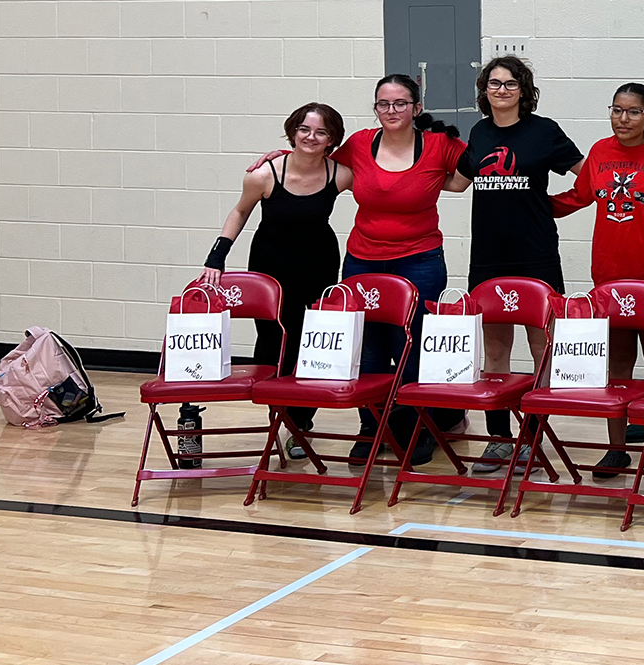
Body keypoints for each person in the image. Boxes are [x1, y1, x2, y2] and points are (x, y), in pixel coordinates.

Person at [549, 82, 644, 479]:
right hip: (609, 281)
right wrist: (530, 204)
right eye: (617, 110)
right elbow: (577, 197)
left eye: (633, 111)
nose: (623, 119)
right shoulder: (599, 152)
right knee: (616, 367)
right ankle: (617, 449)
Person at [450, 56, 585, 472]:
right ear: (484, 90)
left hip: (536, 251)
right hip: (489, 255)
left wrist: (552, 207)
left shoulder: (544, 132)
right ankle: (498, 439)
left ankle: (534, 433)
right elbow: (456, 182)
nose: (502, 90)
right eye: (494, 83)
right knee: (495, 348)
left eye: (511, 84)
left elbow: (589, 176)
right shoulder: (478, 132)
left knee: (541, 342)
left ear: (524, 90)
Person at [201, 103, 352, 463]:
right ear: (292, 131)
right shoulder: (264, 175)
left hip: (319, 264)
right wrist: (216, 257)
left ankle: (300, 423)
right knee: (273, 340)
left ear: (332, 139)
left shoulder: (341, 174)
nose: (310, 137)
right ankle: (277, 412)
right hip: (271, 266)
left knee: (309, 342)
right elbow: (240, 211)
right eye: (304, 129)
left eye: (320, 132)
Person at [332, 74, 470, 466]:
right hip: (363, 260)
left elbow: (466, 177)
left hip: (419, 260)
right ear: (376, 108)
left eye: (400, 103)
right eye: (383, 104)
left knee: (412, 345)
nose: (391, 111)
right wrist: (275, 160)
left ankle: (415, 426)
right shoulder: (359, 144)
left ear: (417, 108)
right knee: (370, 347)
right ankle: (371, 426)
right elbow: (314, 168)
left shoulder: (439, 144)